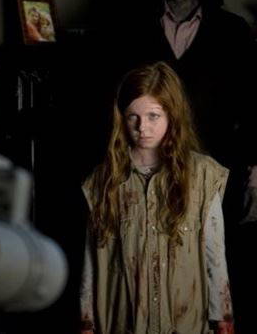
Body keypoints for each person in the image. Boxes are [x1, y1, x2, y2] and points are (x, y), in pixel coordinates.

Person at [119, 0, 257, 332]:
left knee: (216, 285)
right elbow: (117, 108)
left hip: (217, 180)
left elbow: (256, 110)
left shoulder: (233, 31)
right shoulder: (130, 28)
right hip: (146, 179)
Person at [80, 62, 234, 334]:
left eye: (153, 116)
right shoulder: (103, 181)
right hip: (124, 324)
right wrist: (86, 320)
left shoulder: (203, 175)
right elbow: (91, 258)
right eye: (133, 117)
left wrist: (223, 316)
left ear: (172, 115)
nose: (143, 128)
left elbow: (215, 253)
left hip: (186, 322)